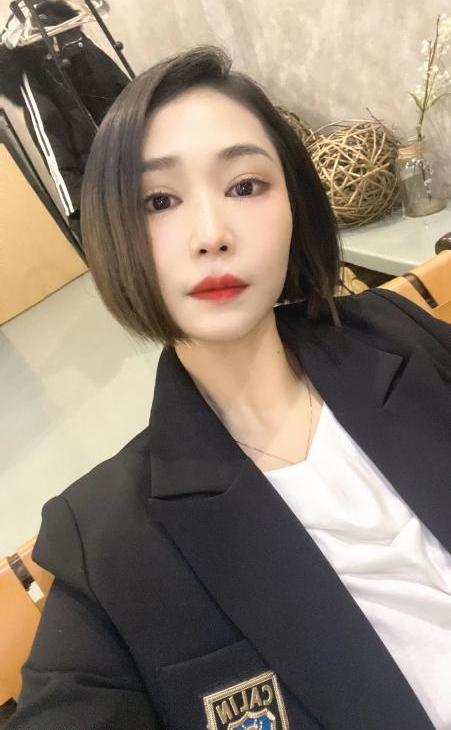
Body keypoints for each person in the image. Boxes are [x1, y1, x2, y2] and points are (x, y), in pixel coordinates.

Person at [7, 44, 451, 730]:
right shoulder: (105, 539)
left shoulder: (399, 334)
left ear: (295, 204)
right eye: (159, 200)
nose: (211, 235)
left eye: (245, 187)